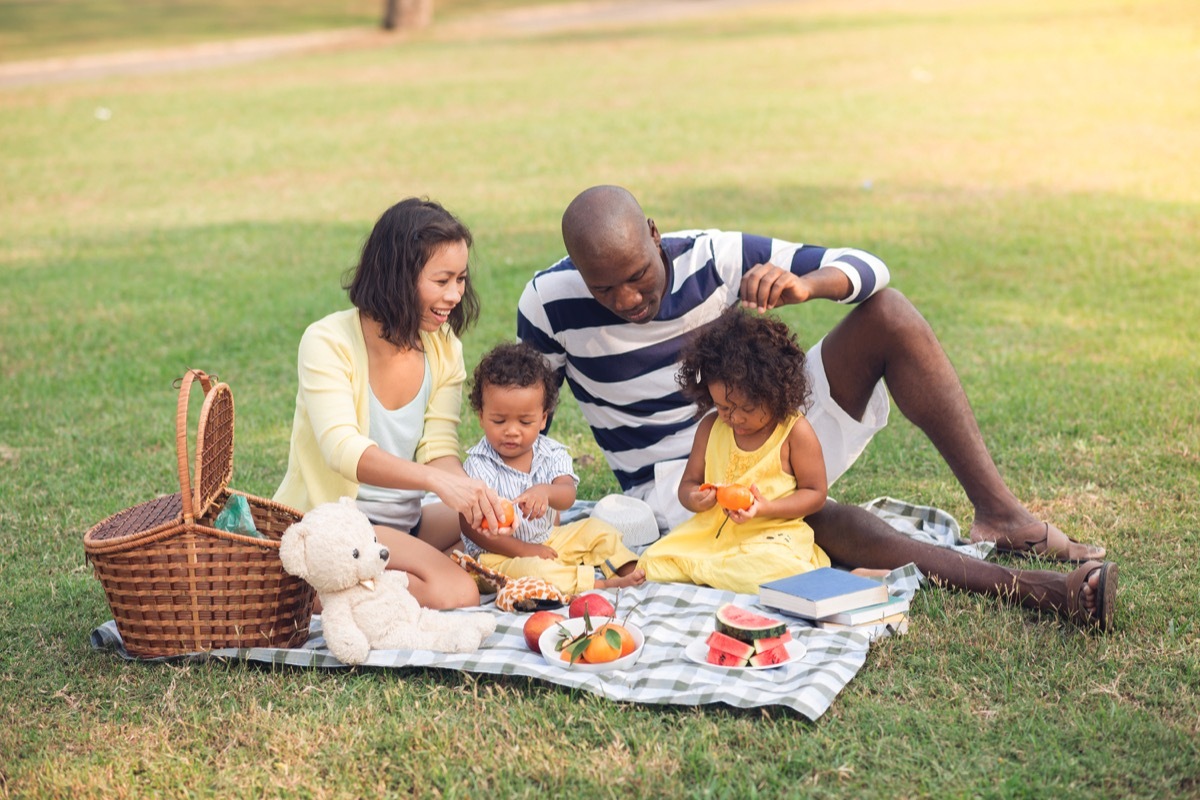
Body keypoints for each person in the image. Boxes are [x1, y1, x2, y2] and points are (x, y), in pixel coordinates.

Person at [516, 184, 1117, 629]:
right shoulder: (548, 302)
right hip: (681, 488)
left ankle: (1002, 516)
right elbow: (529, 414)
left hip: (765, 428)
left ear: (654, 233)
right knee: (823, 520)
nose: (626, 298)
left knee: (890, 312)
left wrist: (807, 285)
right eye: (603, 287)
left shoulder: (713, 255)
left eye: (638, 275)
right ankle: (1036, 589)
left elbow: (870, 268)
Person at [275, 197, 510, 609]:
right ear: (398, 277)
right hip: (339, 527)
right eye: (442, 281)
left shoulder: (443, 348)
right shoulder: (328, 342)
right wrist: (435, 482)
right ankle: (311, 589)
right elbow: (342, 450)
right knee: (458, 592)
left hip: (402, 522)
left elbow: (438, 447)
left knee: (493, 531)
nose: (455, 294)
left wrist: (467, 491)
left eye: (461, 279)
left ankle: (361, 582)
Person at [638, 308, 834, 594]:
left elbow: (815, 494)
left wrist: (765, 508)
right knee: (651, 562)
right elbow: (687, 485)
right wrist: (695, 498)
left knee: (779, 569)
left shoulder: (794, 432)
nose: (735, 418)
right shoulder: (711, 427)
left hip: (769, 537)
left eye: (747, 409)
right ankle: (717, 571)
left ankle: (712, 573)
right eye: (725, 407)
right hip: (711, 536)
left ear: (776, 393)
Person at [459, 341, 646, 594]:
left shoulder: (551, 452)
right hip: (499, 557)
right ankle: (597, 584)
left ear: (543, 418)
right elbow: (468, 526)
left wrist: (546, 492)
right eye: (499, 420)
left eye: (525, 421)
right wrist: (525, 551)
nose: (512, 431)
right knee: (536, 574)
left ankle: (628, 568)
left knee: (596, 529)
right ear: (481, 416)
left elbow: (567, 495)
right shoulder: (479, 465)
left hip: (549, 539)